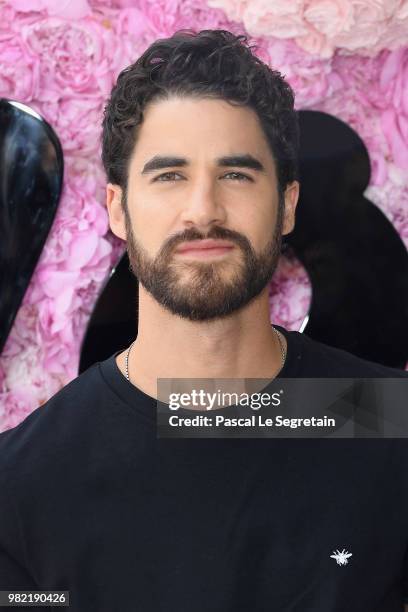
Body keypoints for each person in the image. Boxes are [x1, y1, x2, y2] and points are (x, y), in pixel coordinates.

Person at [0, 28, 407, 612]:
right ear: (117, 208)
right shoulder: (20, 486)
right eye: (169, 175)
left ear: (287, 204)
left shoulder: (387, 420)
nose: (204, 211)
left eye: (237, 174)